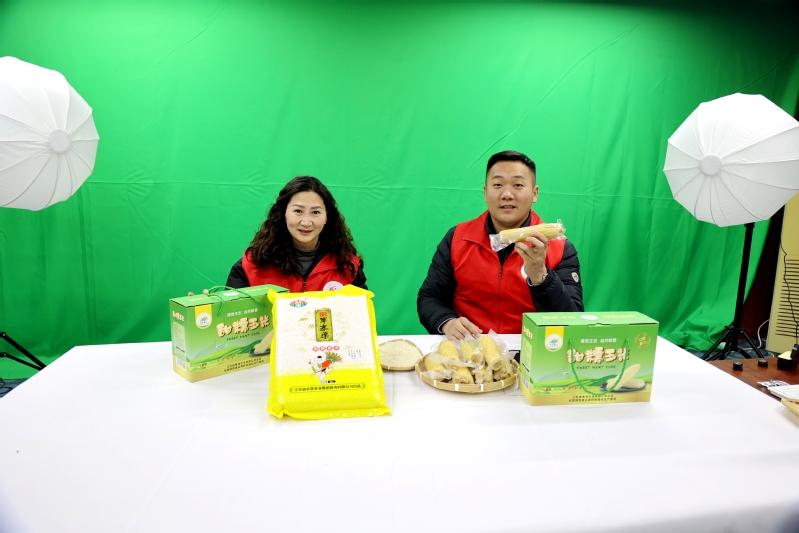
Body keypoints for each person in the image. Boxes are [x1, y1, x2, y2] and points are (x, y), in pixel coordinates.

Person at [417, 150, 583, 340]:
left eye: (518, 185)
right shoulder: (457, 238)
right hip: (471, 348)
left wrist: (541, 277)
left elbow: (572, 321)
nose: (507, 194)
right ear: (485, 192)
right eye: (497, 185)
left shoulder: (560, 249)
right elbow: (429, 297)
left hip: (531, 350)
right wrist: (447, 322)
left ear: (534, 193)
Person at [226, 176, 366, 292]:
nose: (306, 222)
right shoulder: (251, 265)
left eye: (315, 212)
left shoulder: (348, 267)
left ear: (326, 217)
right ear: (284, 213)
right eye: (298, 211)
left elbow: (361, 314)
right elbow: (232, 313)